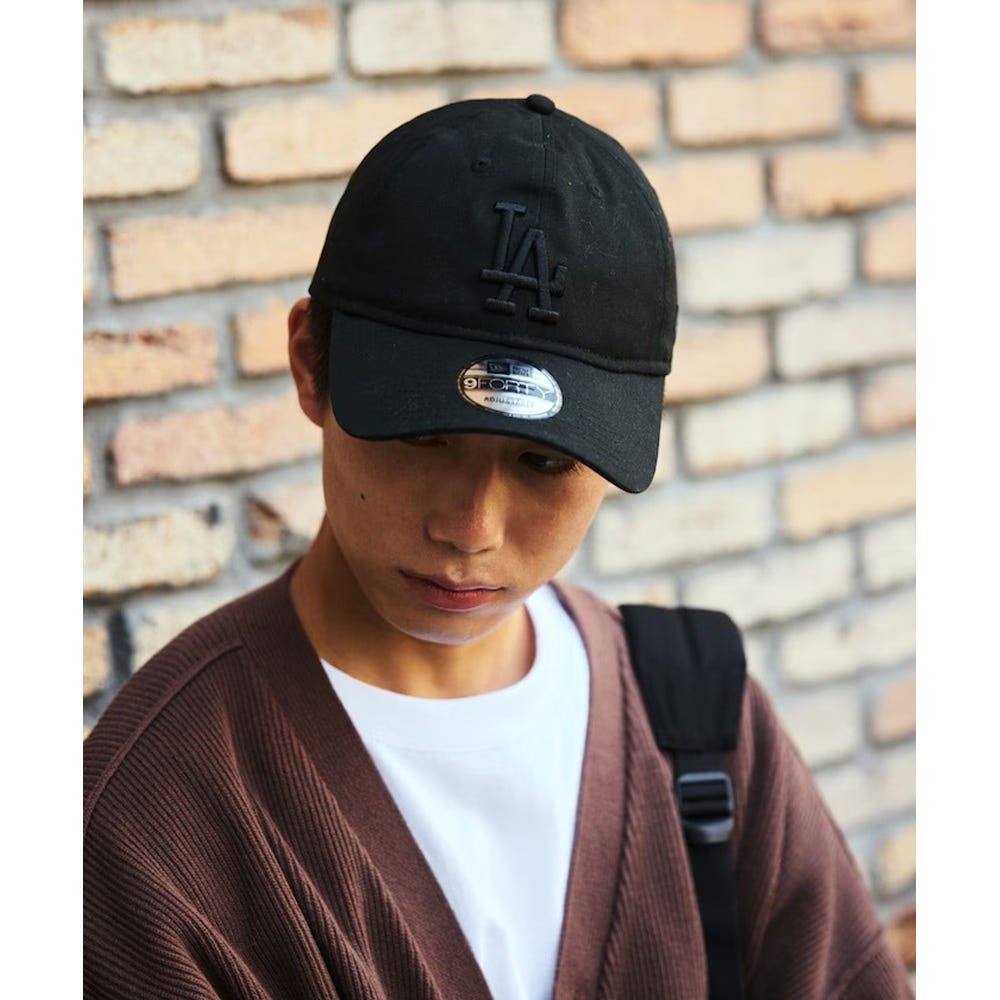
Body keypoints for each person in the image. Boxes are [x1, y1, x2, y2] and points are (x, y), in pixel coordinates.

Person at [83, 95, 912, 999]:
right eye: (421, 437)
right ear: (312, 364)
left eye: (542, 462)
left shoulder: (702, 731)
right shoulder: (156, 819)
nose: (470, 528)